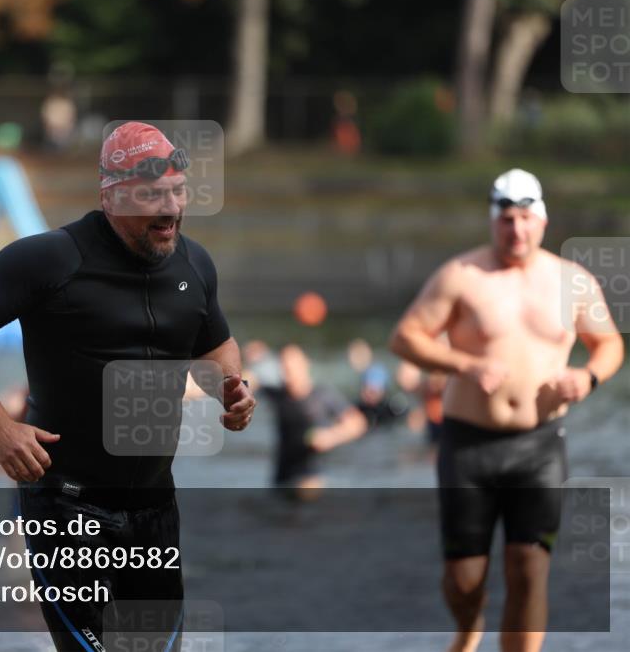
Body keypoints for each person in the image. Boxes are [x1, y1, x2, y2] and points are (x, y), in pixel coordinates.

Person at [0, 121, 255, 651]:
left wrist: (231, 389)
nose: (170, 209)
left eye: (177, 192)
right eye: (152, 196)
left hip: (155, 510)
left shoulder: (194, 263)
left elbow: (216, 344)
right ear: (111, 196)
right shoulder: (51, 259)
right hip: (68, 507)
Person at [389, 168, 624, 652]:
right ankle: (469, 626)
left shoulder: (571, 281)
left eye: (524, 218)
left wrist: (588, 377)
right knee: (465, 578)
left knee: (529, 566)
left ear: (542, 220)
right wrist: (464, 364)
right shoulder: (463, 275)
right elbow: (405, 338)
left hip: (539, 445)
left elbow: (608, 343)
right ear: (492, 221)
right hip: (469, 444)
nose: (516, 230)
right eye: (506, 220)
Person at [258, 344, 367, 492]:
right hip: (281, 477)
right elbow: (248, 382)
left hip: (311, 478)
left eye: (293, 366)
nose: (289, 371)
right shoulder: (277, 394)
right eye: (285, 366)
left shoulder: (322, 395)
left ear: (305, 364)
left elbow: (358, 423)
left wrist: (331, 436)